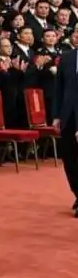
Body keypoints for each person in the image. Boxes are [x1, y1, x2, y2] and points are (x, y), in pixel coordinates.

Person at [52, 46, 78, 216]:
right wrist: (56, 115)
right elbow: (58, 88)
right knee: (69, 158)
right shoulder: (67, 58)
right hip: (68, 115)